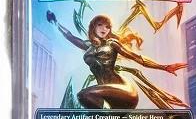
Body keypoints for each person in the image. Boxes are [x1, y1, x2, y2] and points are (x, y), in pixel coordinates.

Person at [47, 12, 186, 109]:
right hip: (107, 96)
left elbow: (137, 58)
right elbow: (70, 36)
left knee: (83, 95)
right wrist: (55, 22)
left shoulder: (112, 44)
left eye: (107, 26)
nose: (104, 29)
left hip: (124, 91)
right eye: (100, 25)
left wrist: (165, 67)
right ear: (94, 27)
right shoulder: (87, 46)